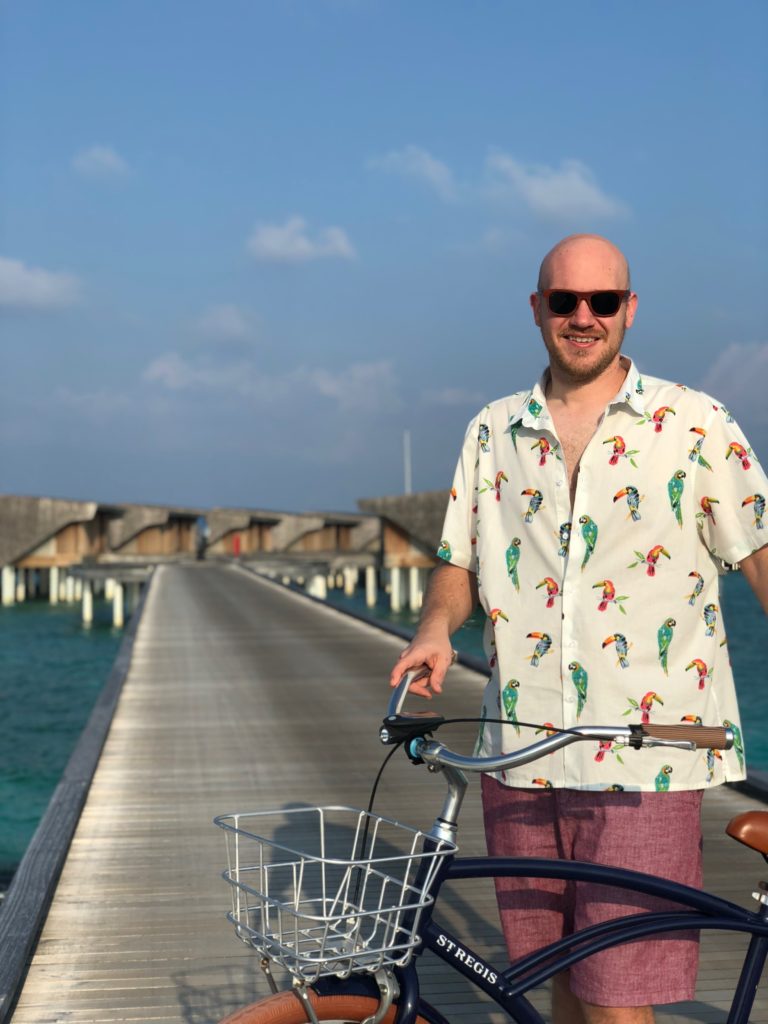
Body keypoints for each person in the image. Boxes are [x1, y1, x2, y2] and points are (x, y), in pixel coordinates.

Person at [389, 234, 768, 1024]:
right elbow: (460, 562)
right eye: (566, 302)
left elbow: (761, 555)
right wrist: (433, 629)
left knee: (616, 1000)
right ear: (538, 311)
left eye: (602, 301)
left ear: (630, 310)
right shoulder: (493, 432)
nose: (584, 317)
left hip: (645, 756)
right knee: (559, 980)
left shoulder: (694, 423)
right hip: (520, 752)